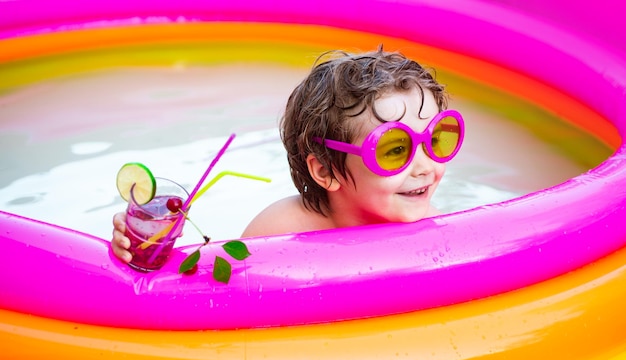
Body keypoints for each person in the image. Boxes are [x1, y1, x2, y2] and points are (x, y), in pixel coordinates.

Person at [111, 47, 464, 263]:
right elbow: (214, 289)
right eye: (395, 149)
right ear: (325, 171)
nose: (426, 166)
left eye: (437, 138)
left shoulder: (432, 231)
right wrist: (145, 249)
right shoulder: (281, 230)